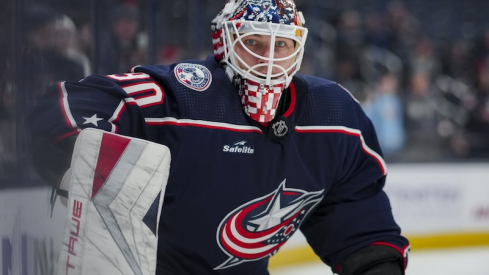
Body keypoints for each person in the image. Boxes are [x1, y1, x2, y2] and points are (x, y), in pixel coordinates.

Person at [28, 0, 410, 274]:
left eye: (282, 44)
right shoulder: (182, 94)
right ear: (225, 43)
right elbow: (63, 108)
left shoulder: (334, 115)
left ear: (299, 47)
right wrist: (87, 157)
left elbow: (353, 209)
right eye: (254, 43)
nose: (269, 59)